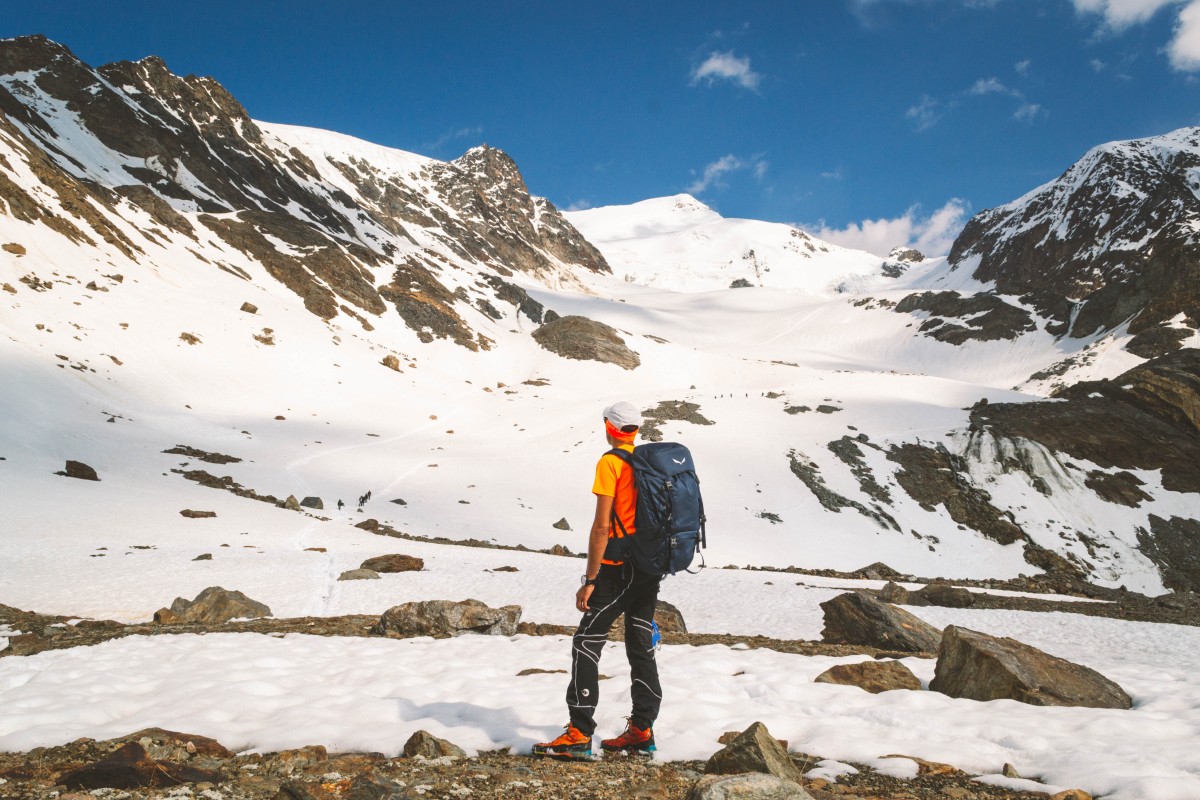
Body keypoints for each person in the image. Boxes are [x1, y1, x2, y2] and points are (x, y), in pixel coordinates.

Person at [533, 401, 661, 759]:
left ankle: (579, 732)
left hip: (618, 567)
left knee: (586, 641)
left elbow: (602, 526)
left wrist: (590, 578)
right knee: (640, 645)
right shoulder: (648, 461)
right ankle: (641, 730)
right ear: (635, 429)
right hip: (649, 568)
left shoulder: (611, 462)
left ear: (610, 426)